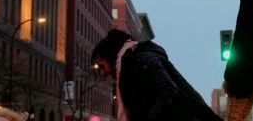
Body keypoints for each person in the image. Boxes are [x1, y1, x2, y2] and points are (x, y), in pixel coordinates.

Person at [91, 29, 222, 121]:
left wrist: (150, 118)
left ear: (110, 54)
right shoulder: (129, 67)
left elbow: (168, 89)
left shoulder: (140, 59)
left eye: (100, 66)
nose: (101, 73)